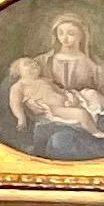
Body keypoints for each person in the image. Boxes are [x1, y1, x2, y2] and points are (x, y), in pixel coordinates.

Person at [9, 11, 104, 160]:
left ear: (82, 35)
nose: (64, 38)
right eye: (60, 33)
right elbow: (18, 85)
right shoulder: (40, 61)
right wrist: (29, 103)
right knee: (60, 142)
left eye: (71, 33)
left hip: (87, 113)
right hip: (53, 117)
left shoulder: (95, 65)